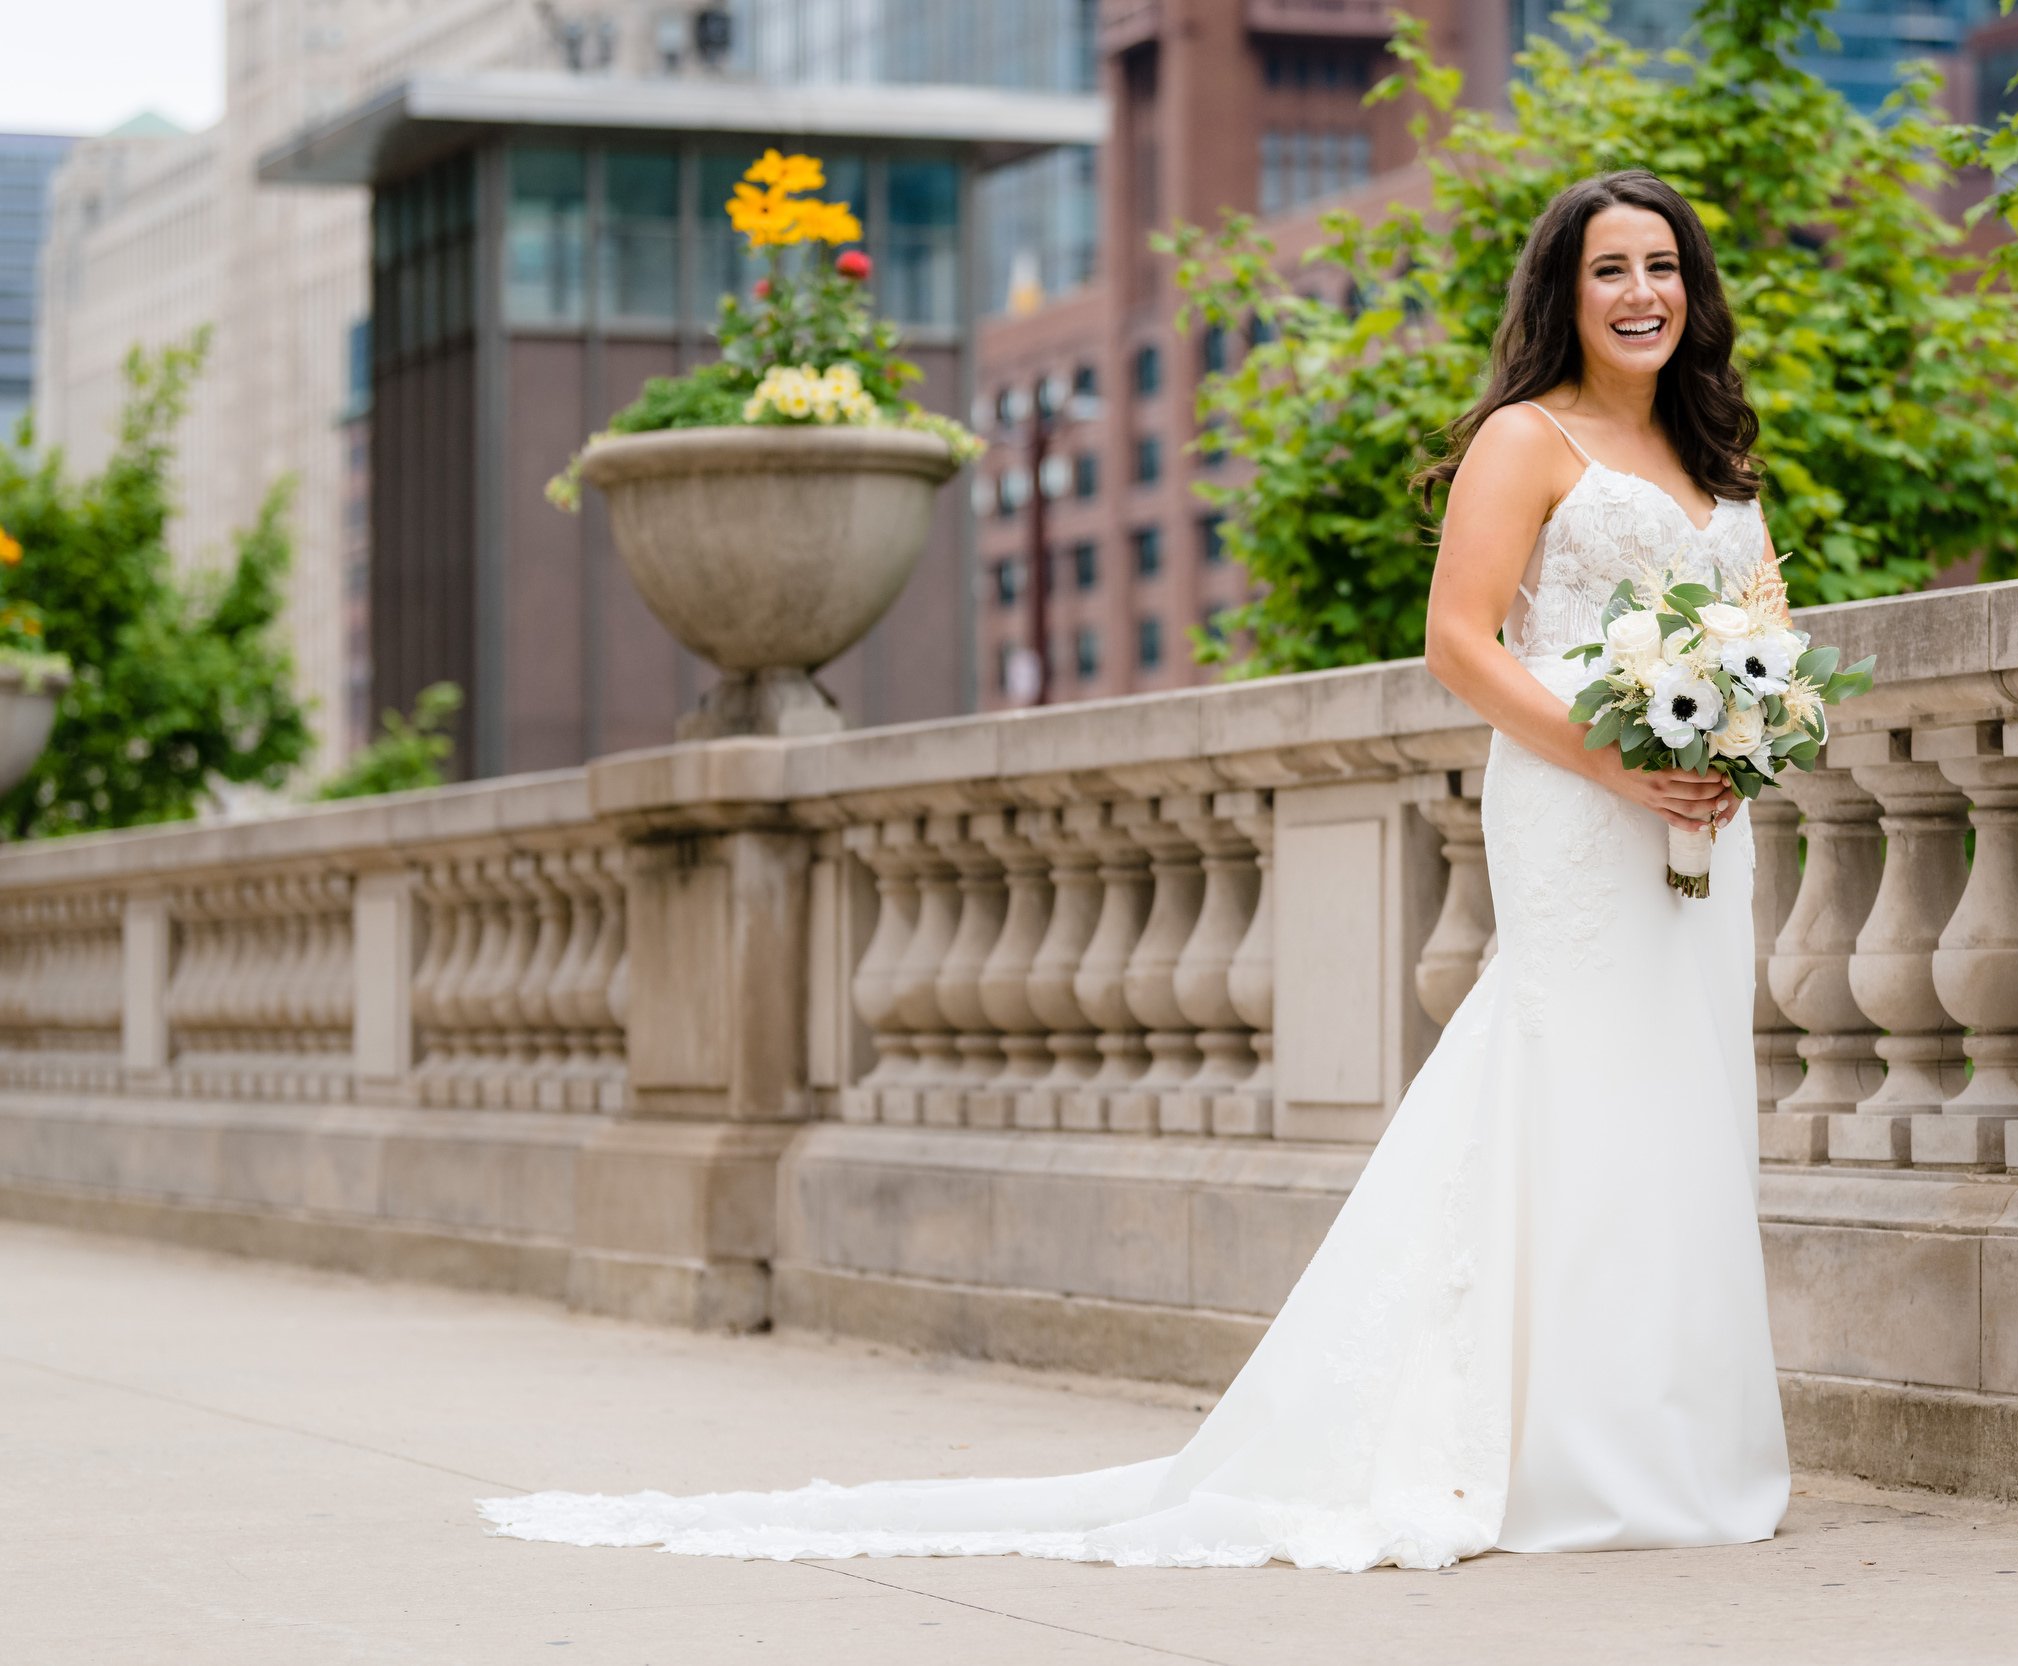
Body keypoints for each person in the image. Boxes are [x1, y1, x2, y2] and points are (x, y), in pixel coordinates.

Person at [480, 170, 1791, 1571]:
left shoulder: (1719, 465)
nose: (1641, 292)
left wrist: (1748, 732)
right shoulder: (1528, 441)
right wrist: (1608, 759)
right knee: (1571, 1089)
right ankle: (1545, 1448)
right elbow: (1460, 642)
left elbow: (1768, 626)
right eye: (1610, 270)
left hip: (1702, 815)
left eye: (1662, 266)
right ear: (1565, 293)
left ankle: (1674, 1439)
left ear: (1692, 289)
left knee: (1684, 1100)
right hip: (1580, 804)